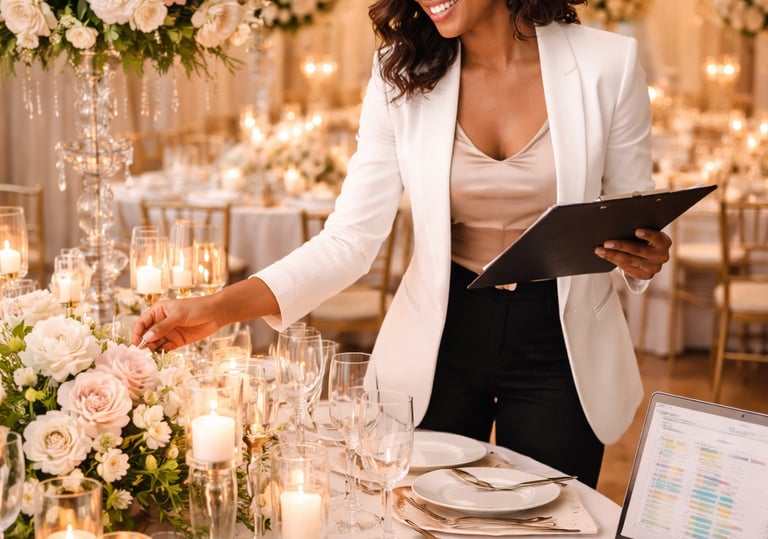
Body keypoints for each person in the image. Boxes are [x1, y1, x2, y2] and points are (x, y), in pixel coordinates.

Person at [133, 0, 672, 488]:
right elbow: (350, 239)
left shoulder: (609, 65)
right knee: (420, 519)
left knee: (550, 518)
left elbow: (628, 215)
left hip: (562, 345)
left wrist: (640, 261)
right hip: (440, 338)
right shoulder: (400, 72)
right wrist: (218, 309)